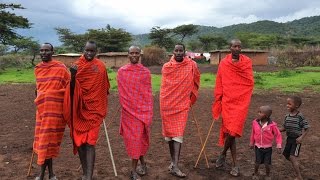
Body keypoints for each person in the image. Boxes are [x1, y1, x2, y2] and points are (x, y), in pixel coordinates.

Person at [63, 41, 110, 180]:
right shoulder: (76, 66)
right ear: (83, 50)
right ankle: (85, 173)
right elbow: (70, 92)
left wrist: (99, 99)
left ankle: (88, 176)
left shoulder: (100, 66)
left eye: (92, 51)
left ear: (96, 52)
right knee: (81, 144)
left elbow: (104, 88)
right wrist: (72, 77)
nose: (89, 53)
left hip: (94, 111)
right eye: (87, 50)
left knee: (90, 144)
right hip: (78, 111)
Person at [212, 39, 254, 176]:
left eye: (239, 46)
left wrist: (241, 94)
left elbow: (249, 82)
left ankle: (223, 154)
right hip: (227, 102)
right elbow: (220, 81)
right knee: (231, 133)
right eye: (234, 46)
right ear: (229, 48)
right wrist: (219, 99)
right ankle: (235, 164)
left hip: (241, 102)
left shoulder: (246, 62)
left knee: (233, 132)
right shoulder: (224, 63)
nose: (237, 48)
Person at [160, 43, 200, 178]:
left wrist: (190, 94)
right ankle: (173, 162)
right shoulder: (167, 67)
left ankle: (175, 166)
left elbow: (196, 79)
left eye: (180, 51)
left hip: (182, 104)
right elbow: (165, 86)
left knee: (178, 134)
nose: (178, 53)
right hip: (167, 104)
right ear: (173, 52)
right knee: (170, 136)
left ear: (184, 52)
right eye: (176, 50)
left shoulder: (191, 65)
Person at [33, 43, 70, 180]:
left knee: (47, 141)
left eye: (47, 50)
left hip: (55, 111)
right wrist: (40, 96)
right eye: (41, 50)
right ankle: (52, 174)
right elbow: (39, 89)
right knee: (45, 141)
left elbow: (68, 87)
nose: (44, 53)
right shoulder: (37, 69)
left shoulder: (61, 68)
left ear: (52, 52)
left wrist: (49, 94)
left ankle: (42, 174)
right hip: (41, 110)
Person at [117, 46, 153, 180]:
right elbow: (122, 91)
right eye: (131, 53)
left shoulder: (145, 72)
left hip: (143, 111)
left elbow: (147, 93)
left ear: (140, 55)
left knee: (140, 138)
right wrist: (126, 102)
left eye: (136, 53)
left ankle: (142, 163)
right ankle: (133, 171)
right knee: (135, 139)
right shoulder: (122, 72)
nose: (134, 55)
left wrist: (148, 110)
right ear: (127, 55)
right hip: (128, 112)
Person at [280, 96, 309, 180]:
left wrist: (301, 138)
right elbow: (284, 128)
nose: (287, 105)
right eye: (287, 103)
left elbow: (307, 128)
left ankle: (299, 176)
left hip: (296, 140)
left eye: (289, 104)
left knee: (292, 157)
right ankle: (297, 165)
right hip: (289, 139)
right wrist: (276, 129)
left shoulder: (300, 116)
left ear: (296, 106)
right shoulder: (287, 116)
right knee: (286, 155)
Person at [249, 105, 282, 180]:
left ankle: (267, 175)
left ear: (266, 115)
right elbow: (253, 133)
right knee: (257, 162)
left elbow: (278, 135)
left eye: (260, 112)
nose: (258, 113)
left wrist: (279, 145)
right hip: (258, 147)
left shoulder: (272, 125)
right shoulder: (255, 122)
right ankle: (256, 173)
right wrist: (251, 142)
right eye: (258, 111)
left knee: (267, 164)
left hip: (268, 148)